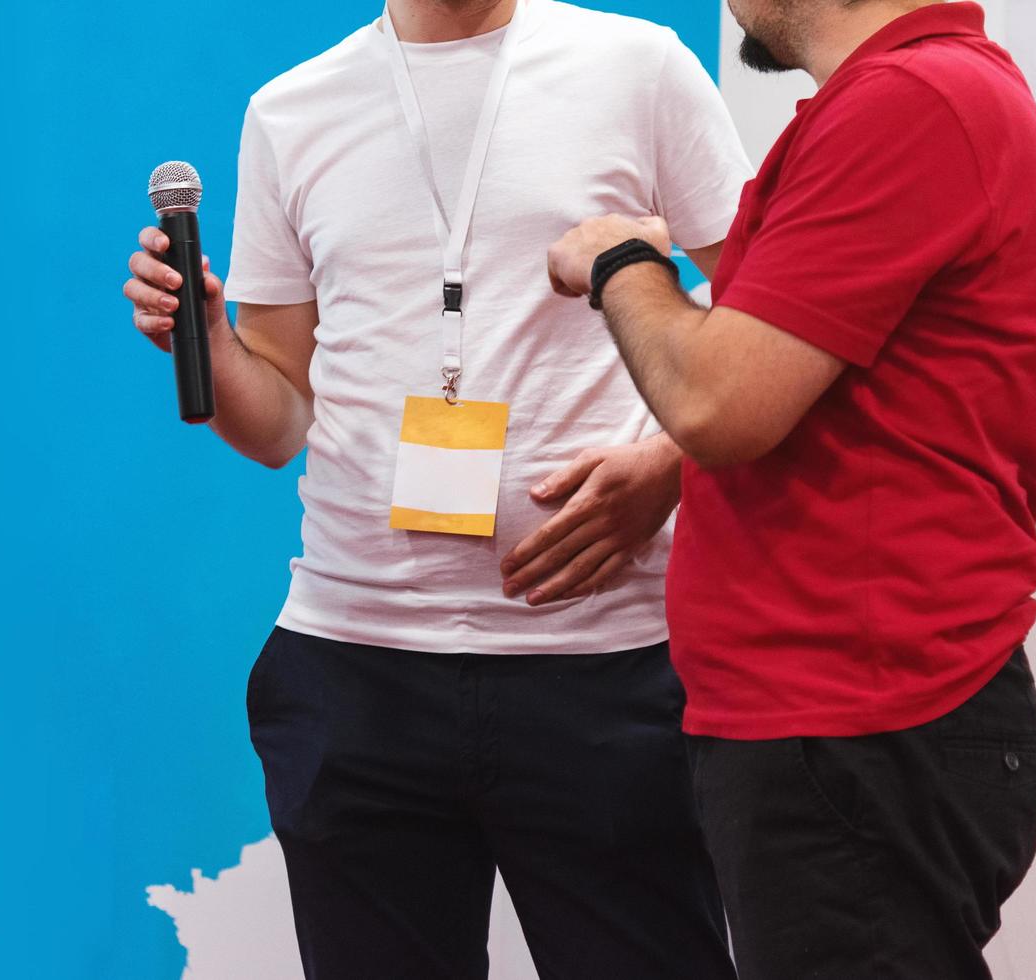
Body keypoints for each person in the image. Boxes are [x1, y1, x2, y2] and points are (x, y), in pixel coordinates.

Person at [124, 1, 752, 976]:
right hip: (354, 664)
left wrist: (674, 463)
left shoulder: (640, 68)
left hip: (598, 661)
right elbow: (281, 416)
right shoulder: (293, 111)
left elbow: (769, 307)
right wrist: (208, 341)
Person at [547, 1, 1036, 977]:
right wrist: (672, 468)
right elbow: (823, 381)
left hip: (857, 723)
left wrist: (619, 259)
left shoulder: (911, 103)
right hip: (845, 725)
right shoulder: (908, 99)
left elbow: (717, 400)